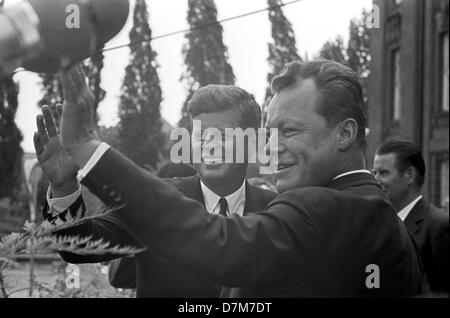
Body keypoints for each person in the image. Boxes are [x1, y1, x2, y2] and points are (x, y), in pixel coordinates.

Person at [56, 60, 426, 297]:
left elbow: (219, 245)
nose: (273, 146)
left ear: (345, 134)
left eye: (289, 131)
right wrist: (62, 186)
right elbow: (75, 244)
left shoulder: (310, 205)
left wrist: (89, 147)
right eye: (270, 133)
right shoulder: (385, 216)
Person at [35, 85, 276, 297]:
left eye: (222, 135)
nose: (209, 145)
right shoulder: (154, 200)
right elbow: (78, 246)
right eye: (200, 135)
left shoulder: (276, 210)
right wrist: (64, 186)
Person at [373, 139, 449, 294]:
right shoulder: (378, 224)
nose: (376, 180)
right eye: (374, 172)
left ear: (410, 175)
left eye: (383, 173)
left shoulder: (438, 226)